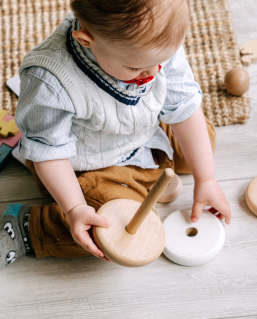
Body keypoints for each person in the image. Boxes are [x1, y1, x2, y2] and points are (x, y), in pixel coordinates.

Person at [0, 0, 231, 269]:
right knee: (109, 228)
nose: (154, 72)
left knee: (204, 138)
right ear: (86, 40)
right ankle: (27, 226)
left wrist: (207, 179)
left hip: (144, 132)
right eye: (136, 68)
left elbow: (183, 105)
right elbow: (48, 152)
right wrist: (74, 208)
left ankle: (152, 172)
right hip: (88, 165)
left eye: (161, 61)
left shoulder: (151, 49)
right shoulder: (49, 80)